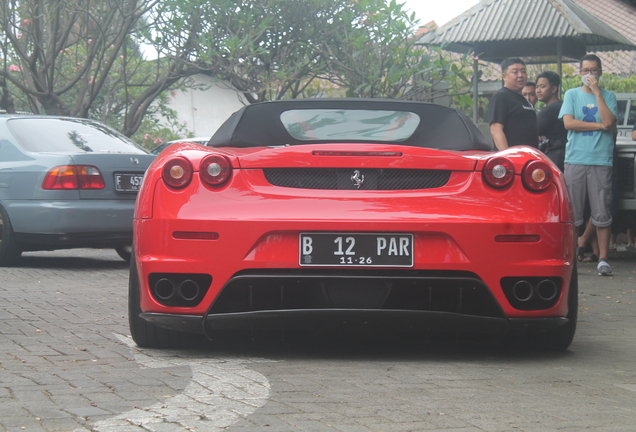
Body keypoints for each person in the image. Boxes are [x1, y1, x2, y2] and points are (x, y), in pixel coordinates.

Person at [559, 54, 617, 276]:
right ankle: (571, 257)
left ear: (600, 72)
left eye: (593, 70)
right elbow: (568, 123)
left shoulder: (608, 96)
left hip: (601, 160)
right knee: (572, 213)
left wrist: (597, 94)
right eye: (585, 70)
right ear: (579, 72)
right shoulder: (571, 94)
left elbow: (610, 122)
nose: (589, 75)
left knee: (602, 210)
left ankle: (603, 259)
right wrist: (600, 126)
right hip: (575, 159)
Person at [489, 58, 538, 150]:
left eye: (523, 71)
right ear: (504, 76)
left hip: (529, 158)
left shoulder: (523, 100)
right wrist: (508, 157)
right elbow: (496, 130)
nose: (520, 75)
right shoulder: (501, 97)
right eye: (515, 72)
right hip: (513, 160)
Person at [535, 71, 567, 171]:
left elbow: (532, 132)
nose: (538, 91)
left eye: (542, 86)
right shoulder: (563, 105)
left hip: (555, 154)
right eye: (537, 87)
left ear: (554, 89)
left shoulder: (550, 109)